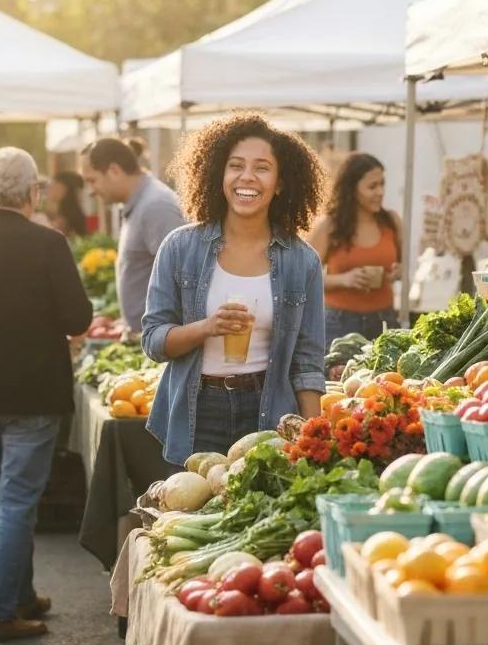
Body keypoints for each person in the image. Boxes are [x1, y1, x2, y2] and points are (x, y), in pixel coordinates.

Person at [0, 148, 93, 643]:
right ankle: (1, 611)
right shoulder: (48, 243)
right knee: (18, 501)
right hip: (34, 393)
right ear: (32, 193)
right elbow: (77, 319)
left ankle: (20, 593)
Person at [141, 113, 326, 464]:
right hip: (198, 409)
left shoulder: (303, 262)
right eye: (236, 165)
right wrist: (207, 327)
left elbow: (308, 360)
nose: (247, 177)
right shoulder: (180, 248)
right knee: (193, 515)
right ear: (218, 174)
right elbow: (153, 340)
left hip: (269, 409)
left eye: (262, 168)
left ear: (281, 182)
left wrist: (315, 436)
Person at [82, 138, 184, 333]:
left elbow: (181, 279)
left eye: (92, 180)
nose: (91, 191)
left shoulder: (156, 206)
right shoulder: (140, 204)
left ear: (114, 171)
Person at [306, 153, 402, 343]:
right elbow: (303, 278)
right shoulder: (329, 226)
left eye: (382, 184)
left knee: (386, 374)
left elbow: (402, 266)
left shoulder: (391, 221)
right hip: (339, 324)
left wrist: (398, 272)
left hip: (384, 321)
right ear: (351, 189)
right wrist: (344, 280)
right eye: (372, 186)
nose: (380, 192)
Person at [45, 170, 88, 238]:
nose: (49, 188)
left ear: (65, 189)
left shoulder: (63, 222)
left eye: (54, 184)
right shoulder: (53, 214)